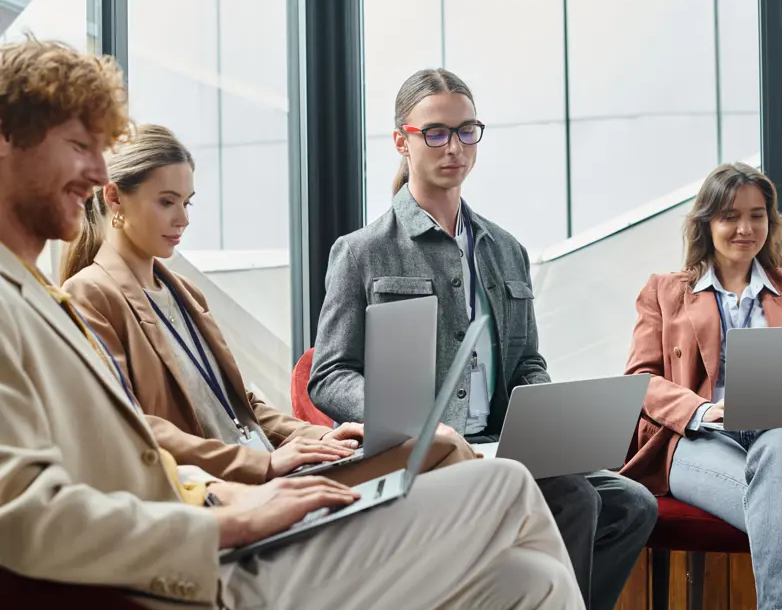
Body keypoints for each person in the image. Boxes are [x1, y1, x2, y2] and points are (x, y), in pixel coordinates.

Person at [0, 37, 585, 609]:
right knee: (501, 483)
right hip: (203, 566)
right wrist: (228, 516)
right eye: (80, 145)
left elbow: (179, 432)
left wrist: (259, 473)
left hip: (228, 511)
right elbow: (29, 510)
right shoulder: (49, 302)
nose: (100, 170)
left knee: (530, 578)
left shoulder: (61, 298)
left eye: (188, 201)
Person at [308, 67, 657, 610]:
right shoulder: (362, 251)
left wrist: (544, 415)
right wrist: (415, 421)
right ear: (402, 140)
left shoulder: (506, 249)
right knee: (572, 499)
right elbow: (328, 375)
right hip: (422, 453)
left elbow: (527, 362)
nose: (455, 147)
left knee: (631, 505)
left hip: (502, 443)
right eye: (437, 132)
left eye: (467, 131)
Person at [60, 123, 476, 487]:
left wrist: (316, 438)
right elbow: (131, 426)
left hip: (273, 467)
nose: (183, 219)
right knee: (444, 450)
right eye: (166, 202)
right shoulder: (91, 294)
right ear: (114, 199)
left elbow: (242, 403)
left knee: (450, 451)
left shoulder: (183, 293)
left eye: (186, 203)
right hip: (237, 483)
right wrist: (263, 464)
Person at [622, 162, 782, 610]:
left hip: (780, 434)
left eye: (757, 215)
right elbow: (640, 379)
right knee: (780, 504)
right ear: (707, 223)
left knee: (780, 448)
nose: (745, 228)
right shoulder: (663, 291)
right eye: (730, 216)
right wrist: (701, 411)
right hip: (695, 437)